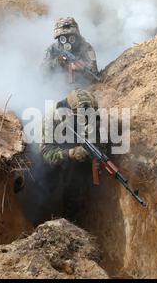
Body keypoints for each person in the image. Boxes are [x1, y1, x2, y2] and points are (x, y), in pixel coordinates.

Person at [40, 89, 107, 220]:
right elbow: (45, 151)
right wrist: (70, 153)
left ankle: (80, 205)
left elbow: (99, 138)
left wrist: (95, 150)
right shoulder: (52, 119)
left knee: (76, 177)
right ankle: (55, 208)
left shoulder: (92, 113)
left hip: (78, 154)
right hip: (57, 156)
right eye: (82, 117)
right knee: (49, 180)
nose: (87, 120)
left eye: (89, 116)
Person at [42, 17, 100, 88]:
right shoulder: (52, 49)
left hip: (82, 86)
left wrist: (81, 67)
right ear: (59, 38)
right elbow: (43, 72)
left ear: (76, 36)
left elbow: (94, 72)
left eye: (71, 38)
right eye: (63, 38)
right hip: (57, 87)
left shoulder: (86, 47)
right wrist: (58, 61)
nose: (67, 41)